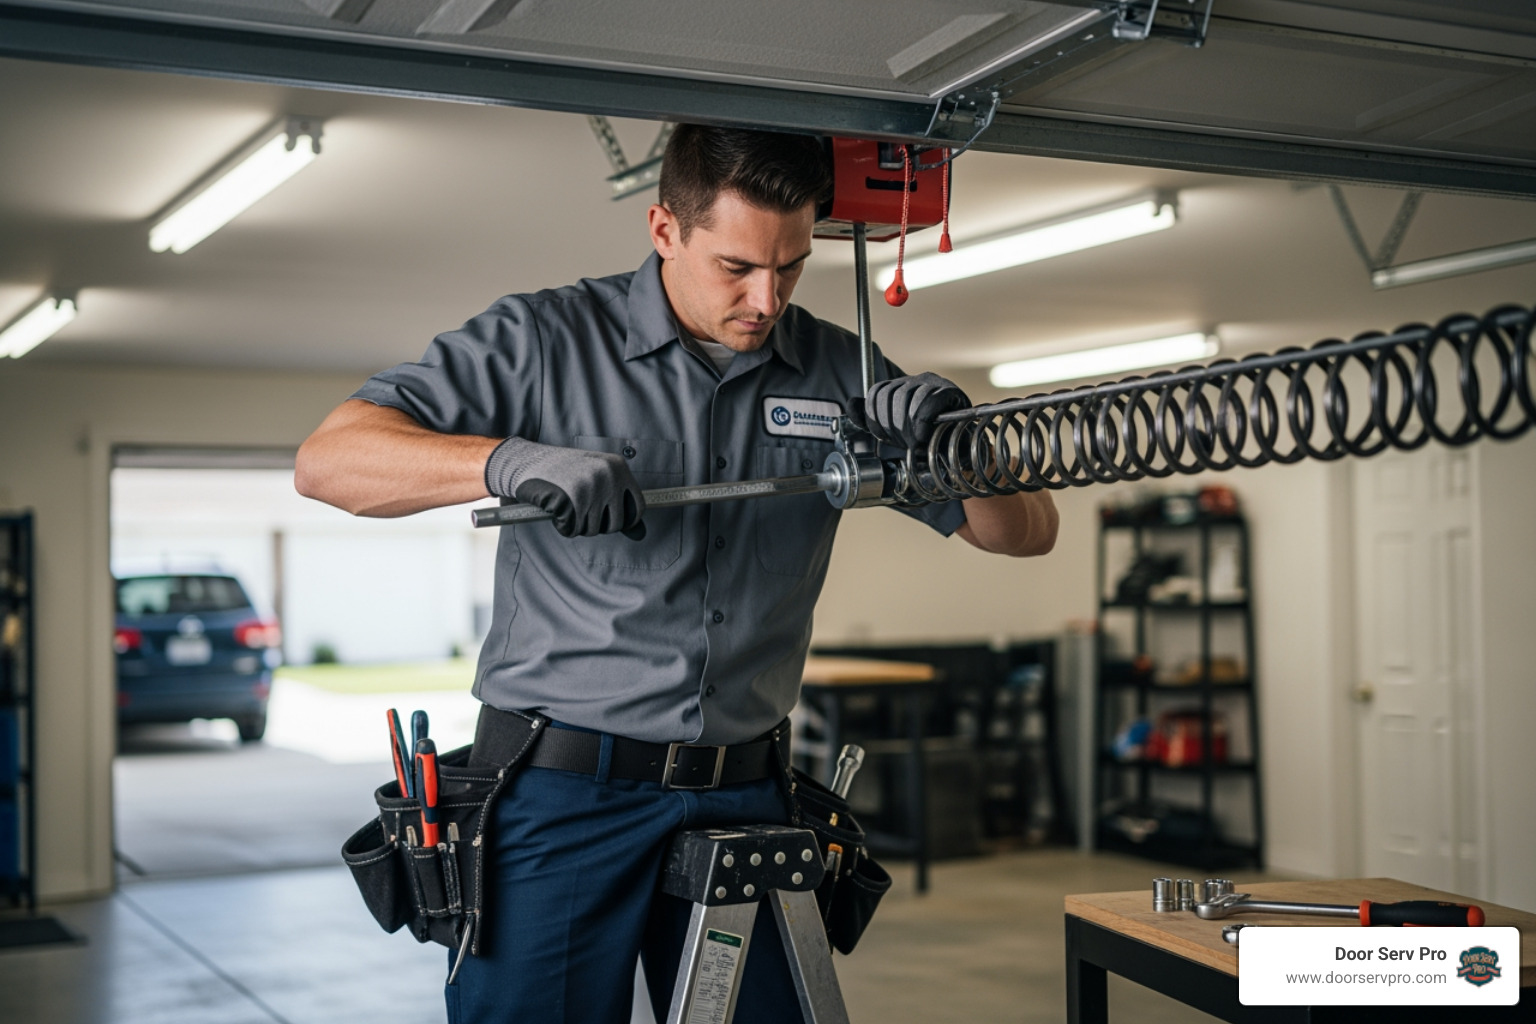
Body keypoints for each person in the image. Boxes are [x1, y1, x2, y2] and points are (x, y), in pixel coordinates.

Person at [296, 124, 1057, 1024]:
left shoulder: (834, 370)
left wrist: (954, 446)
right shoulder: (544, 340)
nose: (765, 297)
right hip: (563, 794)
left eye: (792, 266)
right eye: (736, 266)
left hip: (748, 794)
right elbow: (330, 461)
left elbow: (1026, 533)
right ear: (664, 229)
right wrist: (506, 460)